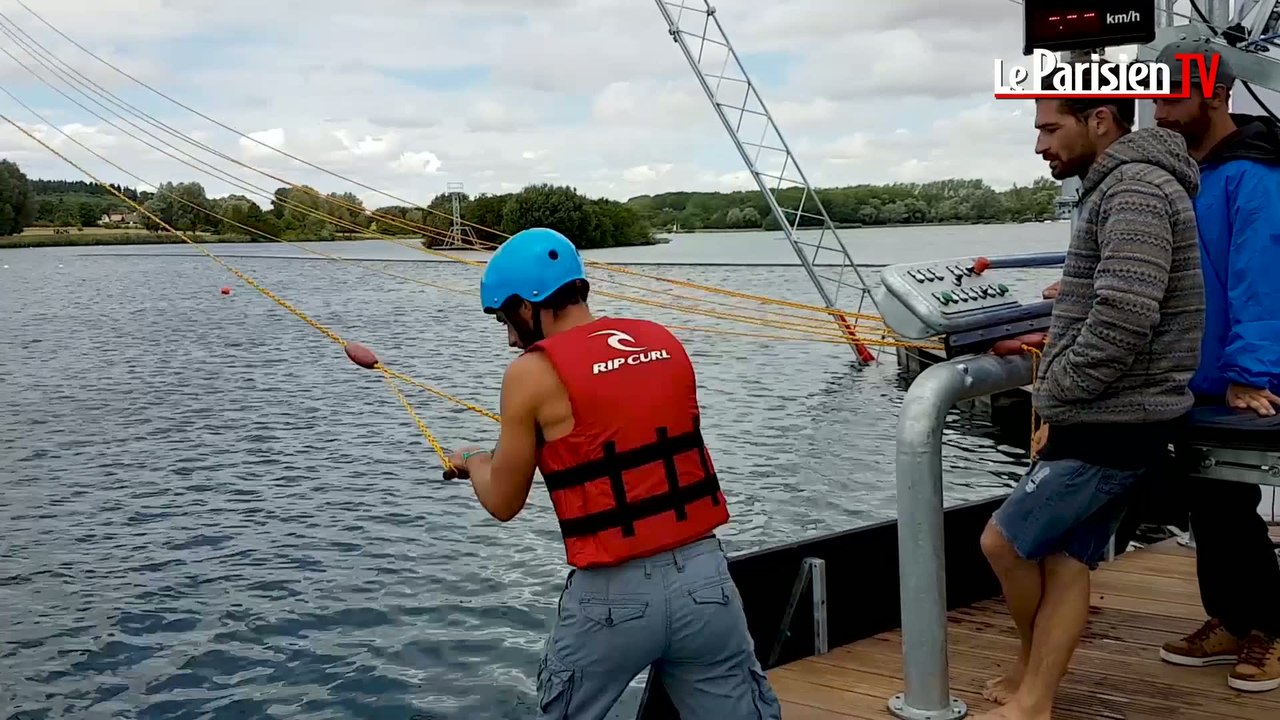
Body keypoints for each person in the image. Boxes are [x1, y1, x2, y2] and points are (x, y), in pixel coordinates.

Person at [444, 227, 782, 720]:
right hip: (706, 582)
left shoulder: (530, 373)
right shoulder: (663, 340)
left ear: (527, 303)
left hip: (611, 596)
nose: (511, 338)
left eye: (505, 319)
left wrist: (472, 459)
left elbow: (503, 501)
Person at [976, 91, 1205, 720]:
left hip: (1116, 416)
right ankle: (1036, 696)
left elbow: (1126, 316)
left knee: (1004, 543)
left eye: (1050, 128)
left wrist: (1058, 393)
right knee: (1065, 558)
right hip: (1115, 411)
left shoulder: (1132, 190)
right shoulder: (1123, 185)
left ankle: (1031, 679)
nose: (1040, 144)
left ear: (1099, 121)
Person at [1150, 41, 1280, 694]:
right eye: (1152, 98)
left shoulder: (1255, 177)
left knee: (1236, 499)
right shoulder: (1181, 175)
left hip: (1245, 376)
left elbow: (1262, 277)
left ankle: (1267, 627)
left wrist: (1252, 373)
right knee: (1213, 503)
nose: (1159, 113)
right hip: (1193, 375)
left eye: (1172, 99)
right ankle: (1230, 618)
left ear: (1219, 97)